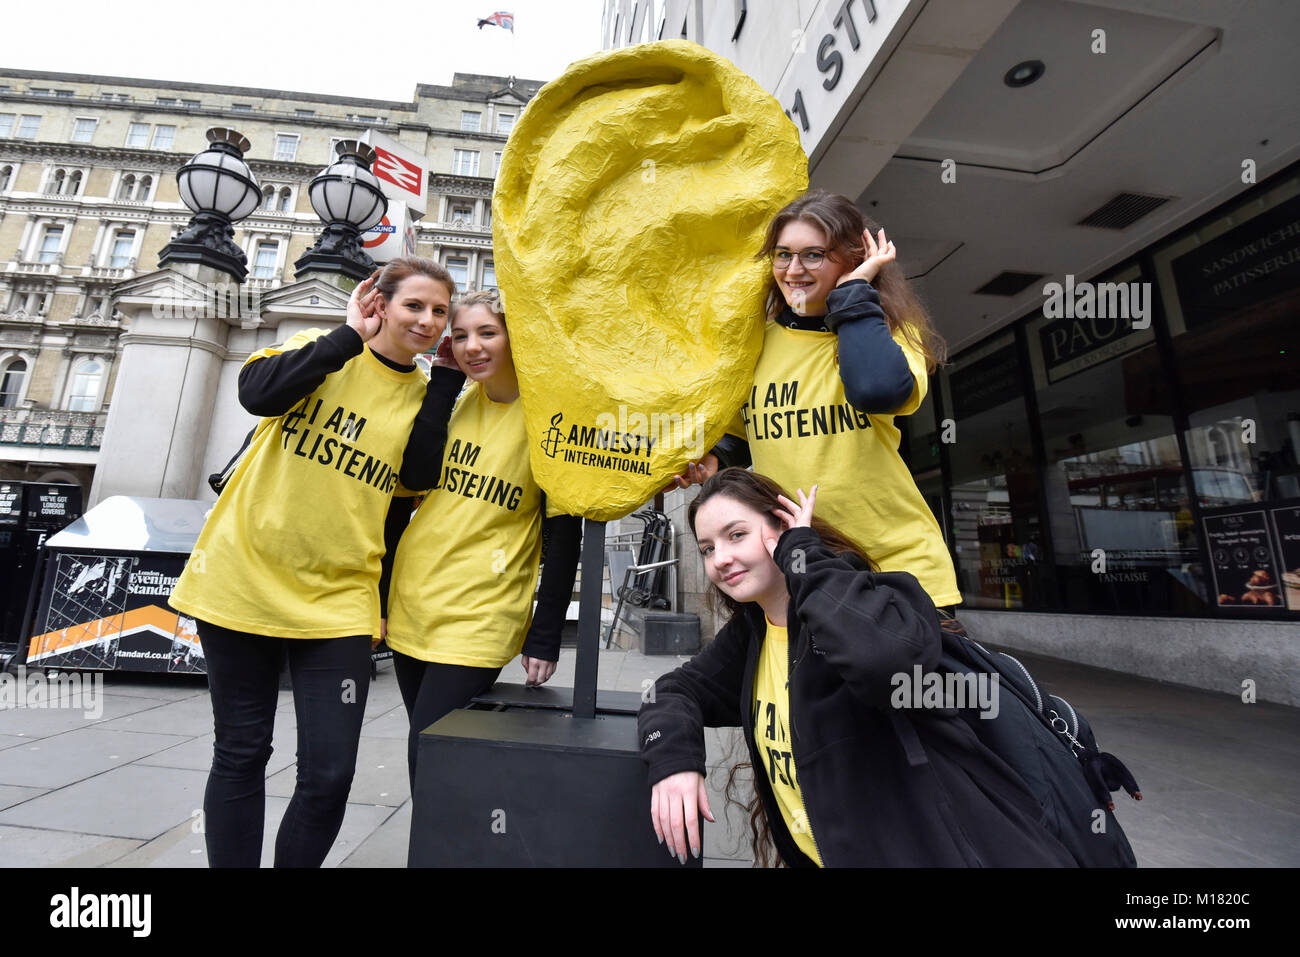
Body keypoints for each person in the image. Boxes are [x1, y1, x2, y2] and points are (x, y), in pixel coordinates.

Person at [169, 256, 459, 867]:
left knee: (329, 772)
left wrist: (446, 387)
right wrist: (348, 335)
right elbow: (258, 394)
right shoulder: (316, 347)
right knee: (242, 752)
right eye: (415, 305)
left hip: (340, 602)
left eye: (440, 311)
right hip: (241, 578)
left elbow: (413, 481)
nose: (429, 320)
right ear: (378, 301)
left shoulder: (426, 395)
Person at [639, 468, 1075, 867]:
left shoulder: (879, 602)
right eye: (708, 548)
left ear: (784, 528)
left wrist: (804, 555)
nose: (720, 560)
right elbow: (672, 691)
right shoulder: (751, 634)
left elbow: (882, 663)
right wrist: (676, 760)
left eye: (737, 535)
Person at [668, 189, 962, 615]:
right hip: (795, 569)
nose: (793, 270)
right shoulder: (754, 347)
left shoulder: (888, 331)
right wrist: (718, 456)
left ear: (851, 258)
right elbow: (743, 434)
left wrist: (855, 292)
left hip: (897, 569)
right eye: (783, 255)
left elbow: (877, 390)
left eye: (813, 255)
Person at [383, 290, 582, 789]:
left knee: (430, 756)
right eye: (462, 335)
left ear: (518, 337)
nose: (472, 346)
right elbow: (408, 480)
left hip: (481, 615)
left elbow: (564, 535)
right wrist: (446, 382)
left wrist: (545, 632)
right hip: (413, 600)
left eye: (487, 332)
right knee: (430, 757)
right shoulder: (453, 397)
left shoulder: (551, 419)